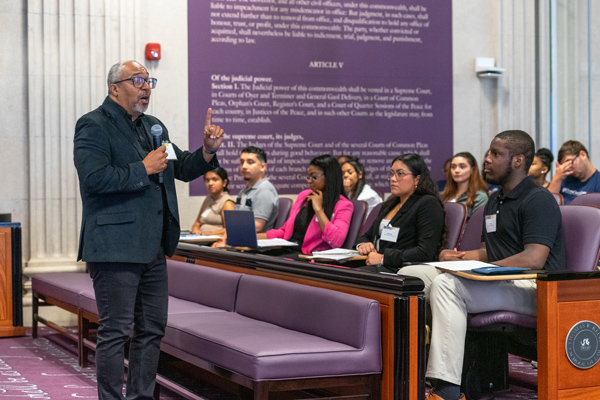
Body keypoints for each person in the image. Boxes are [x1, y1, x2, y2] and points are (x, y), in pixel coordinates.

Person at [73, 60, 224, 399]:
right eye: (137, 80)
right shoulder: (93, 125)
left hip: (153, 246)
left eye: (149, 81)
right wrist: (141, 168)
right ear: (115, 87)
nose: (146, 88)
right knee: (114, 331)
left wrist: (207, 152)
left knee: (152, 329)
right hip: (114, 246)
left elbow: (181, 167)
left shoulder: (153, 126)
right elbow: (94, 179)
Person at [410, 130, 565, 400]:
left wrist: (485, 270)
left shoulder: (538, 200)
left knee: (448, 285)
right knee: (411, 275)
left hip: (535, 288)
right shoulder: (496, 199)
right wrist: (460, 257)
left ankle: (447, 390)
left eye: (496, 154)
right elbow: (489, 251)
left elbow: (534, 258)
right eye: (489, 153)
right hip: (500, 280)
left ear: (518, 161)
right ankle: (408, 369)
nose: (487, 159)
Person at [355, 153, 445, 269]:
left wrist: (383, 258)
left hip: (400, 269)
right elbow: (366, 236)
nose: (393, 179)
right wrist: (363, 245)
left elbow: (424, 252)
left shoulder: (428, 204)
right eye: (392, 174)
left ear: (417, 179)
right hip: (376, 263)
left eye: (400, 174)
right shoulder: (390, 204)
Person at [260, 155, 353, 254]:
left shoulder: (344, 205)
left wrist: (318, 210)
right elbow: (285, 232)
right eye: (309, 177)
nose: (310, 181)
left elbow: (337, 241)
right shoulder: (304, 196)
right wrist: (253, 238)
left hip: (309, 257)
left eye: (314, 177)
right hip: (289, 249)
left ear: (329, 176)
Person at [212, 147, 279, 247]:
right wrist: (223, 239)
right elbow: (233, 224)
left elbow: (256, 227)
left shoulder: (265, 190)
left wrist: (226, 242)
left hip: (254, 245)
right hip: (239, 241)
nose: (244, 166)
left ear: (263, 167)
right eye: (242, 162)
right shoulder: (244, 191)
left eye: (250, 162)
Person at [441, 152, 488, 219]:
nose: (456, 170)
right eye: (453, 167)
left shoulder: (479, 197)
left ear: (472, 170)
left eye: (462, 166)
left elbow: (477, 224)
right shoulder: (446, 195)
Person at [191, 167, 234, 235]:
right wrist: (195, 229)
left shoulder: (227, 202)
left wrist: (208, 234)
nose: (210, 183)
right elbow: (197, 222)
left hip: (215, 241)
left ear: (224, 182)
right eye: (207, 180)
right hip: (201, 238)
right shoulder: (208, 198)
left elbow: (231, 229)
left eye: (214, 179)